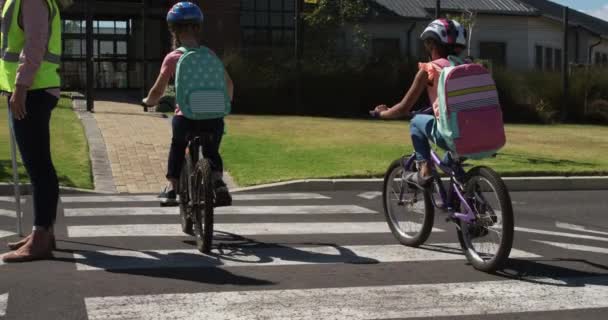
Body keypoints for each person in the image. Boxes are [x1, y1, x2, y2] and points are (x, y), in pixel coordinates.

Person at [143, 2, 234, 206]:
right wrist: (222, 106)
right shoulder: (209, 54)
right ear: (198, 27)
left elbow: (158, 90)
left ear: (173, 29)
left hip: (186, 118)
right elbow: (229, 83)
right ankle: (218, 182)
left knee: (177, 146)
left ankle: (173, 188)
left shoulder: (173, 57)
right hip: (213, 118)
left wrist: (148, 101)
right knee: (211, 151)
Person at [1, 0, 71, 263]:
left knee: (39, 166)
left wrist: (20, 86)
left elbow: (35, 43)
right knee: (38, 166)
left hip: (33, 90)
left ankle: (41, 237)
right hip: (33, 89)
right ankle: (42, 232)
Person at [371, 19, 466, 187]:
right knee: (451, 163)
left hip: (452, 135)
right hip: (479, 134)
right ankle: (467, 196)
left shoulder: (429, 69)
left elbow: (403, 108)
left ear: (431, 44)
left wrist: (381, 113)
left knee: (416, 122)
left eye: (427, 43)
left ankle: (424, 170)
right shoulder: (466, 68)